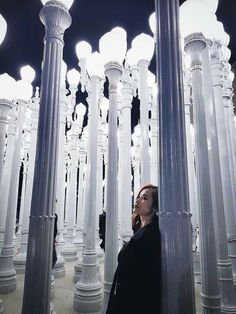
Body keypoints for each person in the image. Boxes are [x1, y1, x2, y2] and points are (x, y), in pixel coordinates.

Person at [106, 184, 161, 314]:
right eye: (138, 197)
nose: (137, 201)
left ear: (154, 207)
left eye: (144, 198)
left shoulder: (151, 235)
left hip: (134, 302)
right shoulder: (140, 231)